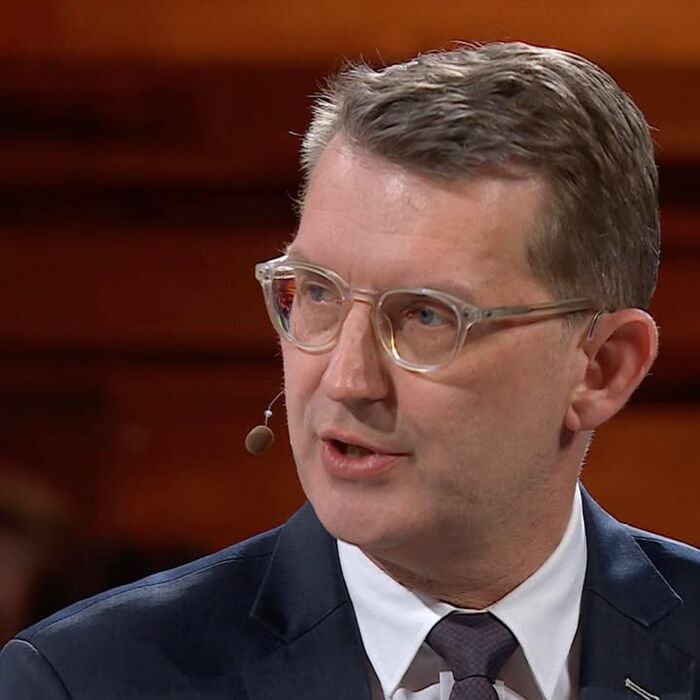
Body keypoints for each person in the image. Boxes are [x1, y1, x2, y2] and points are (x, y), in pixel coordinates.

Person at [1, 41, 698, 699]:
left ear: (601, 369)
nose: (344, 380)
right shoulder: (85, 681)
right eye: (317, 293)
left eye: (426, 315)